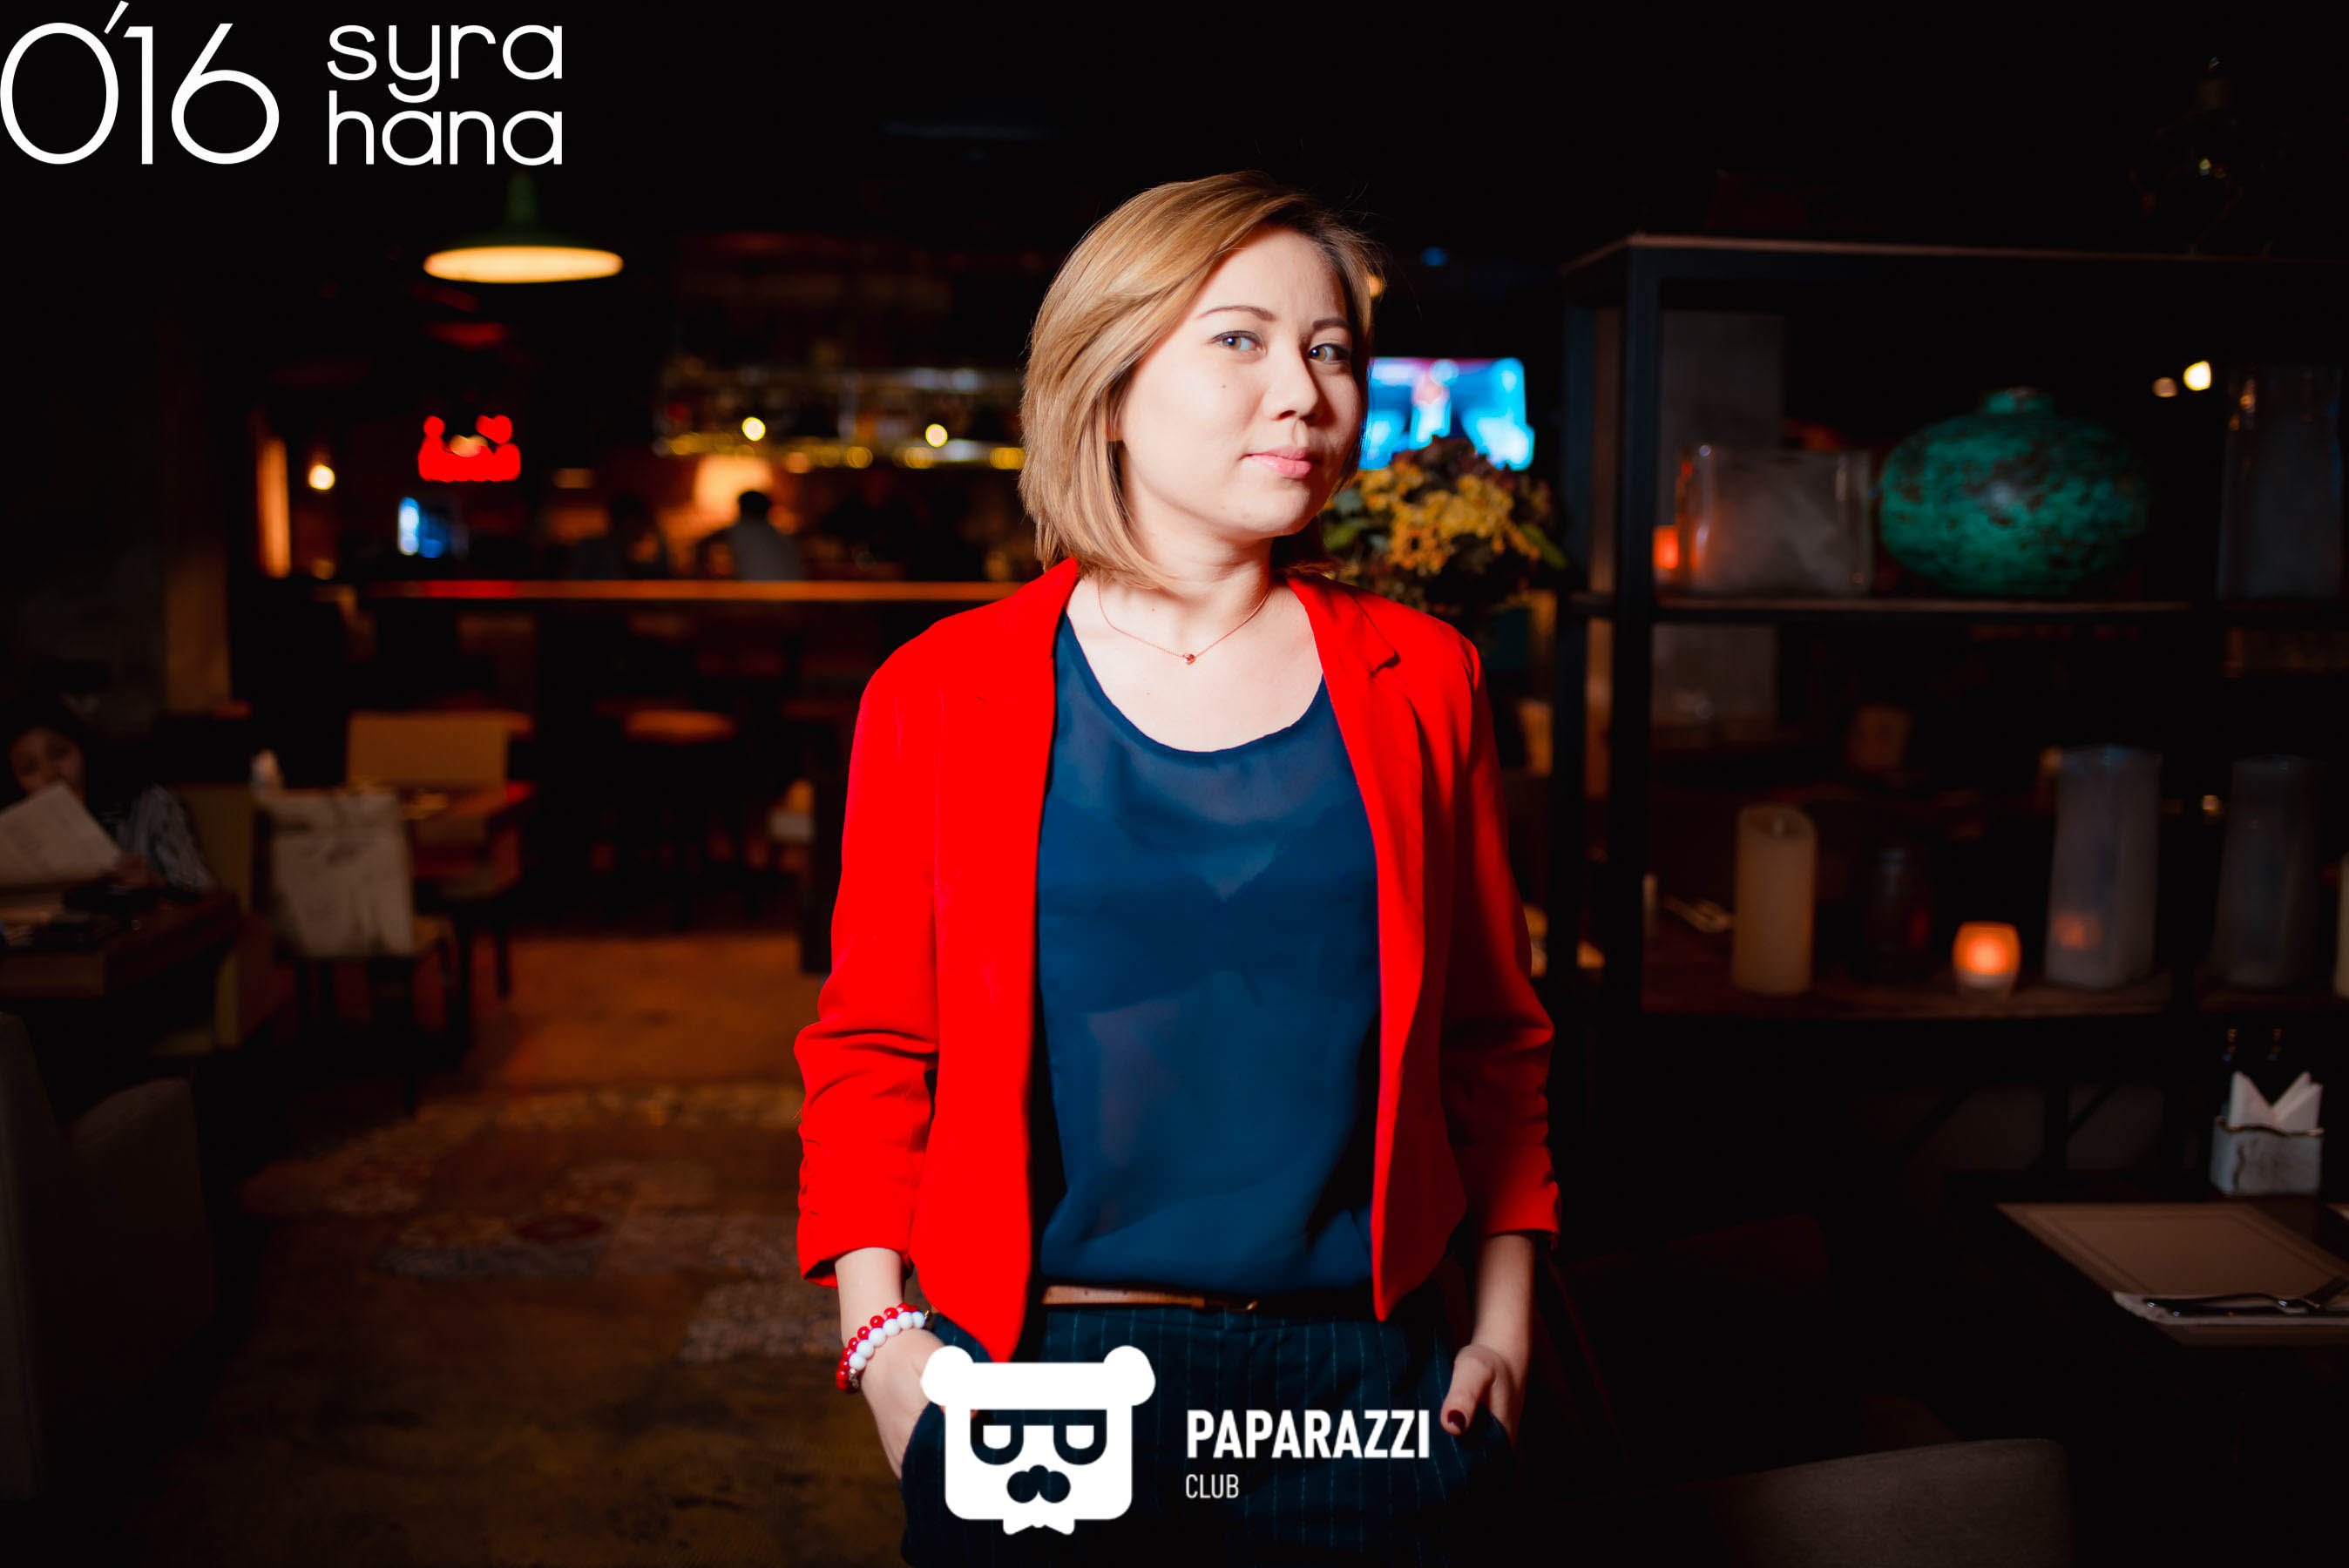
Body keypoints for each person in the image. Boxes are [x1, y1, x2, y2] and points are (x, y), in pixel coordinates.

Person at [794, 172, 1558, 1565]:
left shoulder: (1425, 681)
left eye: (1331, 351)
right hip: (1037, 1368)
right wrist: (883, 1344)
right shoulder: (942, 691)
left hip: (1361, 1380)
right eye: (1240, 340)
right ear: (1107, 383)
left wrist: (1503, 1334)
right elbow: (874, 1047)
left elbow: (1490, 1042)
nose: (1304, 393)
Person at [3, 693, 218, 893]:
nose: (50, 774)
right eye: (29, 768)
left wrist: (154, 883)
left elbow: (205, 895)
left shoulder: (151, 805)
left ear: (83, 749)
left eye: (59, 754)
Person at [694, 489, 805, 581]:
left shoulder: (743, 528)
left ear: (742, 508)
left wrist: (703, 572)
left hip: (758, 595)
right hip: (791, 595)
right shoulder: (779, 535)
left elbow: (703, 543)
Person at [563, 492, 674, 579]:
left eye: (646, 525)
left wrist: (660, 533)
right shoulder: (592, 548)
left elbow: (663, 574)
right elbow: (573, 584)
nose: (644, 531)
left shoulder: (627, 557)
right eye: (641, 524)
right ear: (626, 524)